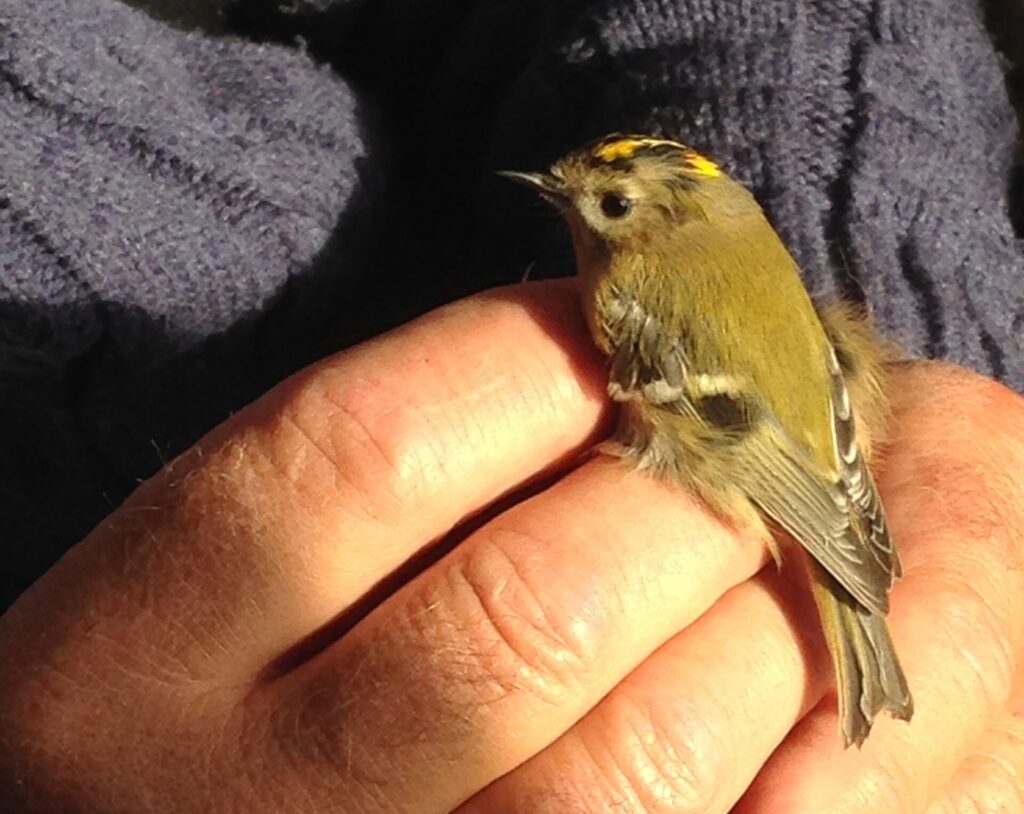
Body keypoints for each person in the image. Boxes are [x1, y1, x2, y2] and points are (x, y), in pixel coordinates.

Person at [0, 0, 1022, 811]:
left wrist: (873, 236)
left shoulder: (631, 294)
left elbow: (745, 429)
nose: (574, 207)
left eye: (607, 204)